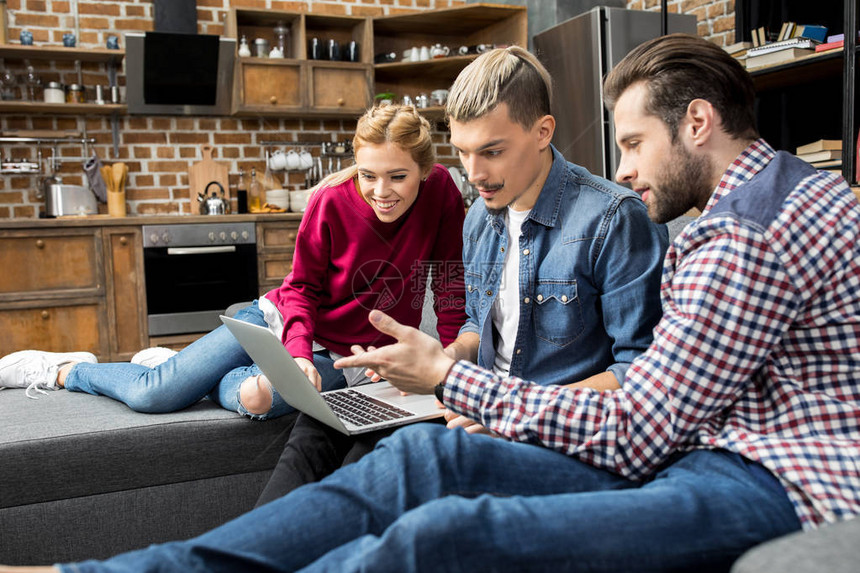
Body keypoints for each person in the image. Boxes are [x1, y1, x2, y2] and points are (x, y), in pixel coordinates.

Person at [5, 33, 859, 573]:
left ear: (699, 122)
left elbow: (640, 419)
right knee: (384, 448)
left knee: (437, 533)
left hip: (763, 471)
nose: (629, 167)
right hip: (681, 435)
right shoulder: (768, 196)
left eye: (635, 141)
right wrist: (437, 362)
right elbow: (404, 190)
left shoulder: (731, 231)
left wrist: (454, 385)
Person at [254, 44, 667, 505]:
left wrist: (496, 405)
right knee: (318, 426)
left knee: (365, 474)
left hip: (538, 427)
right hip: (470, 400)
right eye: (463, 153)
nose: (475, 174)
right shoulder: (480, 220)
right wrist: (437, 358)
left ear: (542, 131)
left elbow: (642, 375)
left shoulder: (614, 219)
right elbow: (475, 325)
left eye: (491, 151)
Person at [0, 104, 466, 424]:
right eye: (368, 175)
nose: (381, 191)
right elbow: (301, 289)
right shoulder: (330, 202)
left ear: (424, 171)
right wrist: (299, 353)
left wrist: (442, 369)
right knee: (153, 395)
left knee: (257, 398)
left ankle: (189, 368)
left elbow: (448, 284)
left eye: (397, 177)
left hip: (351, 359)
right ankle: (65, 369)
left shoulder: (442, 191)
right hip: (280, 322)